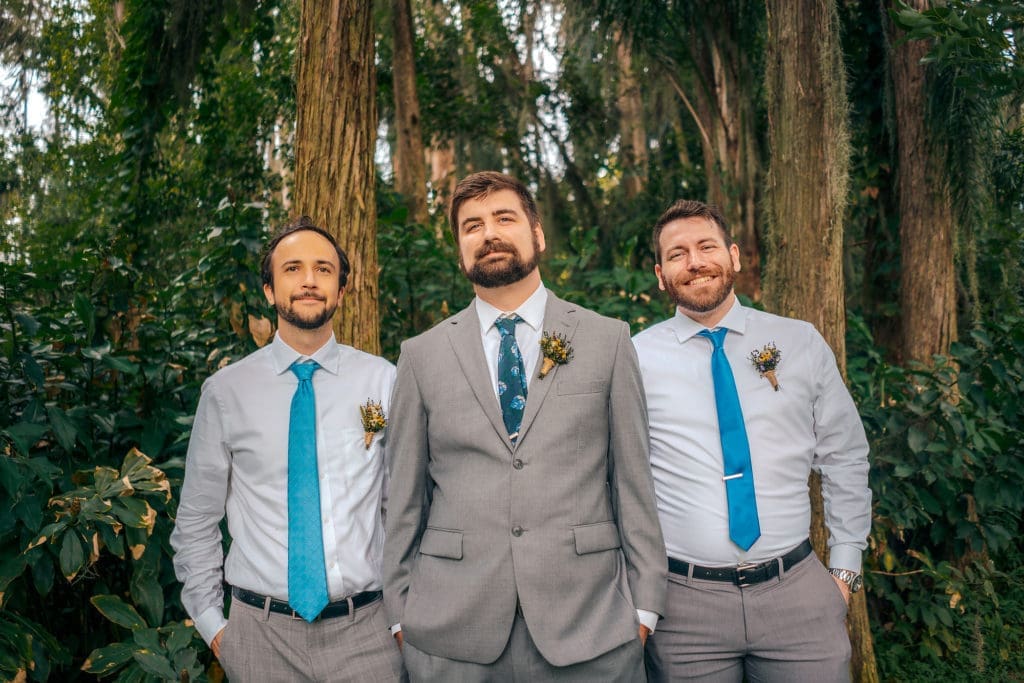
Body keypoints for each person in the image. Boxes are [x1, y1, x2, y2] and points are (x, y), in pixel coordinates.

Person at [383, 171, 666, 682]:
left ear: (537, 234)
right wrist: (402, 614)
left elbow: (634, 484)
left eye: (504, 218)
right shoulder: (420, 356)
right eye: (472, 226)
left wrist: (643, 610)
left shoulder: (608, 340)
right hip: (451, 635)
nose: (488, 233)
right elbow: (403, 497)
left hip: (592, 627)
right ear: (460, 249)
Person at [632, 199, 871, 683]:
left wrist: (845, 572)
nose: (694, 262)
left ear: (734, 256)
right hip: (683, 607)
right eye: (677, 254)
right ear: (661, 275)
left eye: (706, 246)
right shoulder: (634, 358)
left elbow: (845, 455)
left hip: (798, 595)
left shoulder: (799, 342)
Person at [170, 217, 405, 682]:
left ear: (342, 289)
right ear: (269, 291)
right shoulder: (226, 392)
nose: (309, 281)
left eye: (323, 269)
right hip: (260, 637)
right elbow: (196, 520)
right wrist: (216, 628)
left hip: (368, 635)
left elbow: (402, 510)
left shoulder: (383, 381)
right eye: (293, 269)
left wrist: (401, 620)